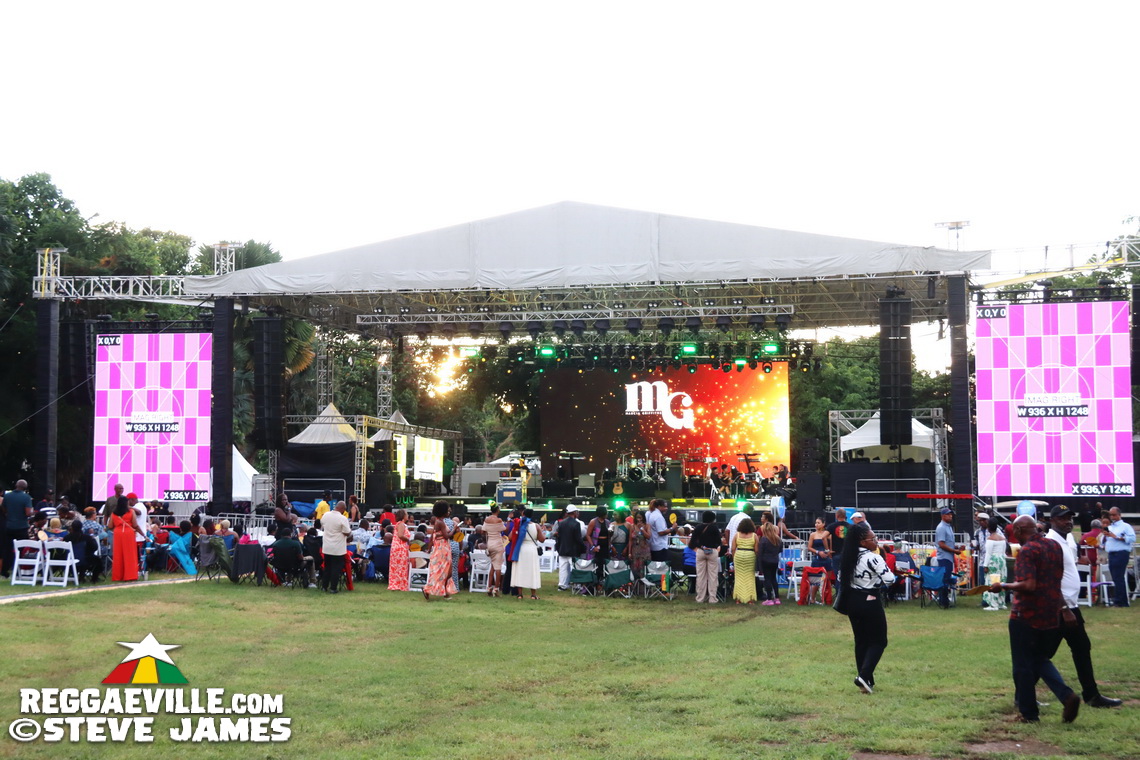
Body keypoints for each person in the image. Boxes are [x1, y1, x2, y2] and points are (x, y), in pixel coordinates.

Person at [989, 515, 1081, 723]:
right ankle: (1067, 696)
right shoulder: (1053, 547)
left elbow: (1029, 585)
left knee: (1022, 665)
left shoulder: (1028, 551)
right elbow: (1053, 583)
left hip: (1025, 615)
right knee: (1040, 659)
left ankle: (1029, 714)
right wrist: (1064, 608)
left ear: (1020, 530)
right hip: (1049, 615)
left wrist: (1003, 586)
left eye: (1015, 532)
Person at [1044, 505, 1121, 708]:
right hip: (1059, 607)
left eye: (1070, 518)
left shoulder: (1067, 538)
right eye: (1062, 519)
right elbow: (1050, 579)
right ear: (1052, 521)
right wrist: (1063, 608)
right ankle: (1022, 695)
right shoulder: (1051, 542)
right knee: (1043, 655)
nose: (1068, 521)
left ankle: (1092, 695)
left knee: (1081, 648)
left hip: (1071, 605)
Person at [837, 522, 895, 694]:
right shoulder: (873, 557)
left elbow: (841, 578)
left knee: (861, 641)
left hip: (852, 602)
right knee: (879, 641)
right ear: (862, 542)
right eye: (873, 538)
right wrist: (875, 582)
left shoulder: (847, 557)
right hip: (870, 600)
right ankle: (863, 675)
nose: (876, 541)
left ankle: (866, 682)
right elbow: (890, 579)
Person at [423, 502, 458, 600]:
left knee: (448, 571)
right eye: (447, 510)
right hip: (442, 548)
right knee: (442, 571)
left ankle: (445, 592)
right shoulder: (440, 522)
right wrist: (454, 529)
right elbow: (447, 536)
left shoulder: (438, 521)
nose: (449, 512)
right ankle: (428, 588)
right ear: (443, 511)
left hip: (443, 547)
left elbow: (434, 535)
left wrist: (430, 547)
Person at [508, 508, 545, 600]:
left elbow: (510, 537)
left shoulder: (518, 524)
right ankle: (533, 594)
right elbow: (542, 539)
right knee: (532, 570)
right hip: (532, 549)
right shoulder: (536, 526)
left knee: (520, 570)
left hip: (521, 549)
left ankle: (520, 594)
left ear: (523, 514)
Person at [1102, 507, 1135, 608]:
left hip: (1121, 553)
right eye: (1111, 515)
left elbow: (1132, 538)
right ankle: (1119, 600)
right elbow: (1108, 540)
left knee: (1119, 577)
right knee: (1116, 578)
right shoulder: (1111, 526)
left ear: (1119, 515)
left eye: (1114, 515)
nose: (1112, 517)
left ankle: (1121, 602)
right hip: (1111, 554)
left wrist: (1118, 537)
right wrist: (1105, 536)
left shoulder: (1125, 526)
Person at [2, 479, 34, 577]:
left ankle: (5, 570)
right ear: (25, 488)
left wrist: (9, 515)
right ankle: (18, 570)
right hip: (21, 527)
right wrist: (32, 512)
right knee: (22, 550)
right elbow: (28, 512)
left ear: (16, 485)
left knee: (7, 549)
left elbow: (3, 509)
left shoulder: (7, 496)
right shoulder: (26, 497)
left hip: (9, 526)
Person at [111, 496, 145, 582]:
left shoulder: (114, 513)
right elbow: (135, 525)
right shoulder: (131, 512)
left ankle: (118, 576)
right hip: (128, 533)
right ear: (126, 503)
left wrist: (117, 528)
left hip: (118, 533)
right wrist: (143, 535)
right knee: (129, 555)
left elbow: (110, 526)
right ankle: (130, 575)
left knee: (118, 555)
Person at [320, 502, 352, 594]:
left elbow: (322, 524)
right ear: (342, 509)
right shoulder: (342, 518)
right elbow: (347, 532)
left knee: (327, 567)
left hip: (327, 546)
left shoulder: (326, 515)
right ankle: (333, 588)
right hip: (338, 548)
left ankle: (324, 586)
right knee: (336, 569)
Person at [690, 511, 721, 603]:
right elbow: (718, 541)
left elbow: (692, 542)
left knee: (700, 576)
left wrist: (700, 548)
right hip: (712, 552)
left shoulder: (698, 527)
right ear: (712, 519)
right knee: (713, 576)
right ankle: (712, 598)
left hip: (700, 551)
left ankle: (700, 598)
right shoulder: (714, 528)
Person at [935, 507, 963, 608]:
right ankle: (944, 602)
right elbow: (941, 544)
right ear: (943, 516)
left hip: (948, 557)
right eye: (948, 514)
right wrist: (954, 551)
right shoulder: (941, 527)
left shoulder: (949, 526)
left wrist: (957, 547)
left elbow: (948, 543)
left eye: (951, 514)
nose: (950, 516)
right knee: (945, 580)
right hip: (944, 557)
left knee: (946, 579)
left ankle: (944, 601)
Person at [553, 505, 585, 591]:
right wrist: (583, 547)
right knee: (574, 568)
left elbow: (559, 537)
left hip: (563, 549)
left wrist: (559, 548)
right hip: (573, 550)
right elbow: (578, 538)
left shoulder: (561, 523)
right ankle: (576, 585)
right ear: (574, 513)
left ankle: (562, 585)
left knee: (563, 569)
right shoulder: (576, 524)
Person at [980, 520, 1009, 611]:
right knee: (1001, 581)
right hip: (1002, 560)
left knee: (992, 581)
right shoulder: (1002, 538)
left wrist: (985, 565)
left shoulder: (990, 539)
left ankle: (993, 604)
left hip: (994, 560)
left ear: (988, 528)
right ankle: (1001, 603)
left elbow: (988, 554)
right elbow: (1004, 551)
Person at [730, 517, 758, 604]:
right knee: (750, 577)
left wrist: (734, 559)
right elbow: (756, 550)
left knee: (739, 577)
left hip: (739, 555)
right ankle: (749, 599)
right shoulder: (754, 536)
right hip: (750, 556)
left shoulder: (736, 535)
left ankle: (738, 599)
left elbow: (733, 549)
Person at [482, 505, 507, 596]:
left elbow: (483, 530)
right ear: (497, 510)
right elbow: (504, 529)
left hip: (490, 544)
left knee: (492, 566)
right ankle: (496, 588)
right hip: (498, 544)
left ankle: (489, 587)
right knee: (498, 567)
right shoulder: (499, 520)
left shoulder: (486, 520)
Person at [758, 522, 782, 605]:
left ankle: (769, 598)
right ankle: (777, 598)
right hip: (775, 561)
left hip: (766, 561)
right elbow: (780, 550)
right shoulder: (778, 539)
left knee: (767, 579)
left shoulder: (764, 539)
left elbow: (760, 553)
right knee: (774, 579)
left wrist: (759, 566)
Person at [646, 498, 673, 563]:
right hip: (660, 547)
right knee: (661, 569)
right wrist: (672, 528)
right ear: (659, 506)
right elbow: (661, 532)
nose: (666, 508)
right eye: (665, 506)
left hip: (654, 545)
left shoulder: (651, 514)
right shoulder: (658, 517)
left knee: (655, 568)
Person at [629, 510, 652, 579]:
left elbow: (648, 536)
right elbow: (630, 540)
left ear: (643, 518)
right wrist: (629, 552)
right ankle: (635, 587)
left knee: (644, 570)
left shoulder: (647, 526)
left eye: (640, 518)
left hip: (644, 551)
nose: (639, 519)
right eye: (637, 518)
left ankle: (644, 588)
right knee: (635, 570)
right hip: (635, 551)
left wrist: (642, 529)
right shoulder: (632, 526)